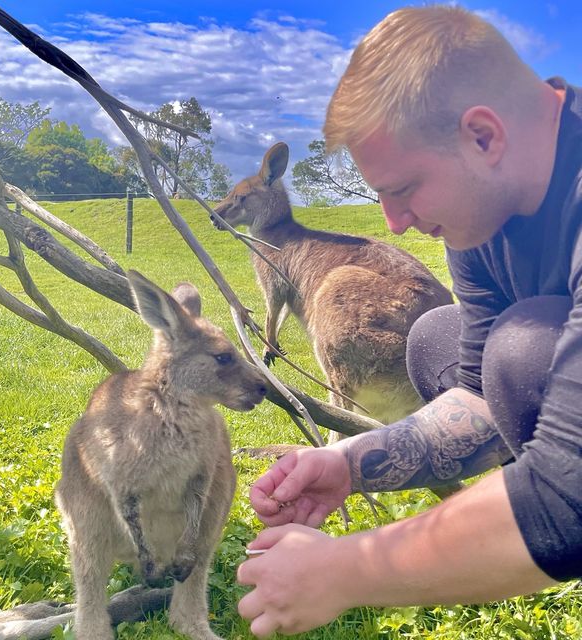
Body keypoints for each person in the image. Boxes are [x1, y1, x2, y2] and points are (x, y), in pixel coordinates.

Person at [236, 5, 582, 637]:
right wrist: (348, 462)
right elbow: (475, 394)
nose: (394, 225)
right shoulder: (483, 213)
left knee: (524, 349)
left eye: (404, 189)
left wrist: (346, 570)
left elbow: (571, 495)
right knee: (437, 341)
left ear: (484, 136)